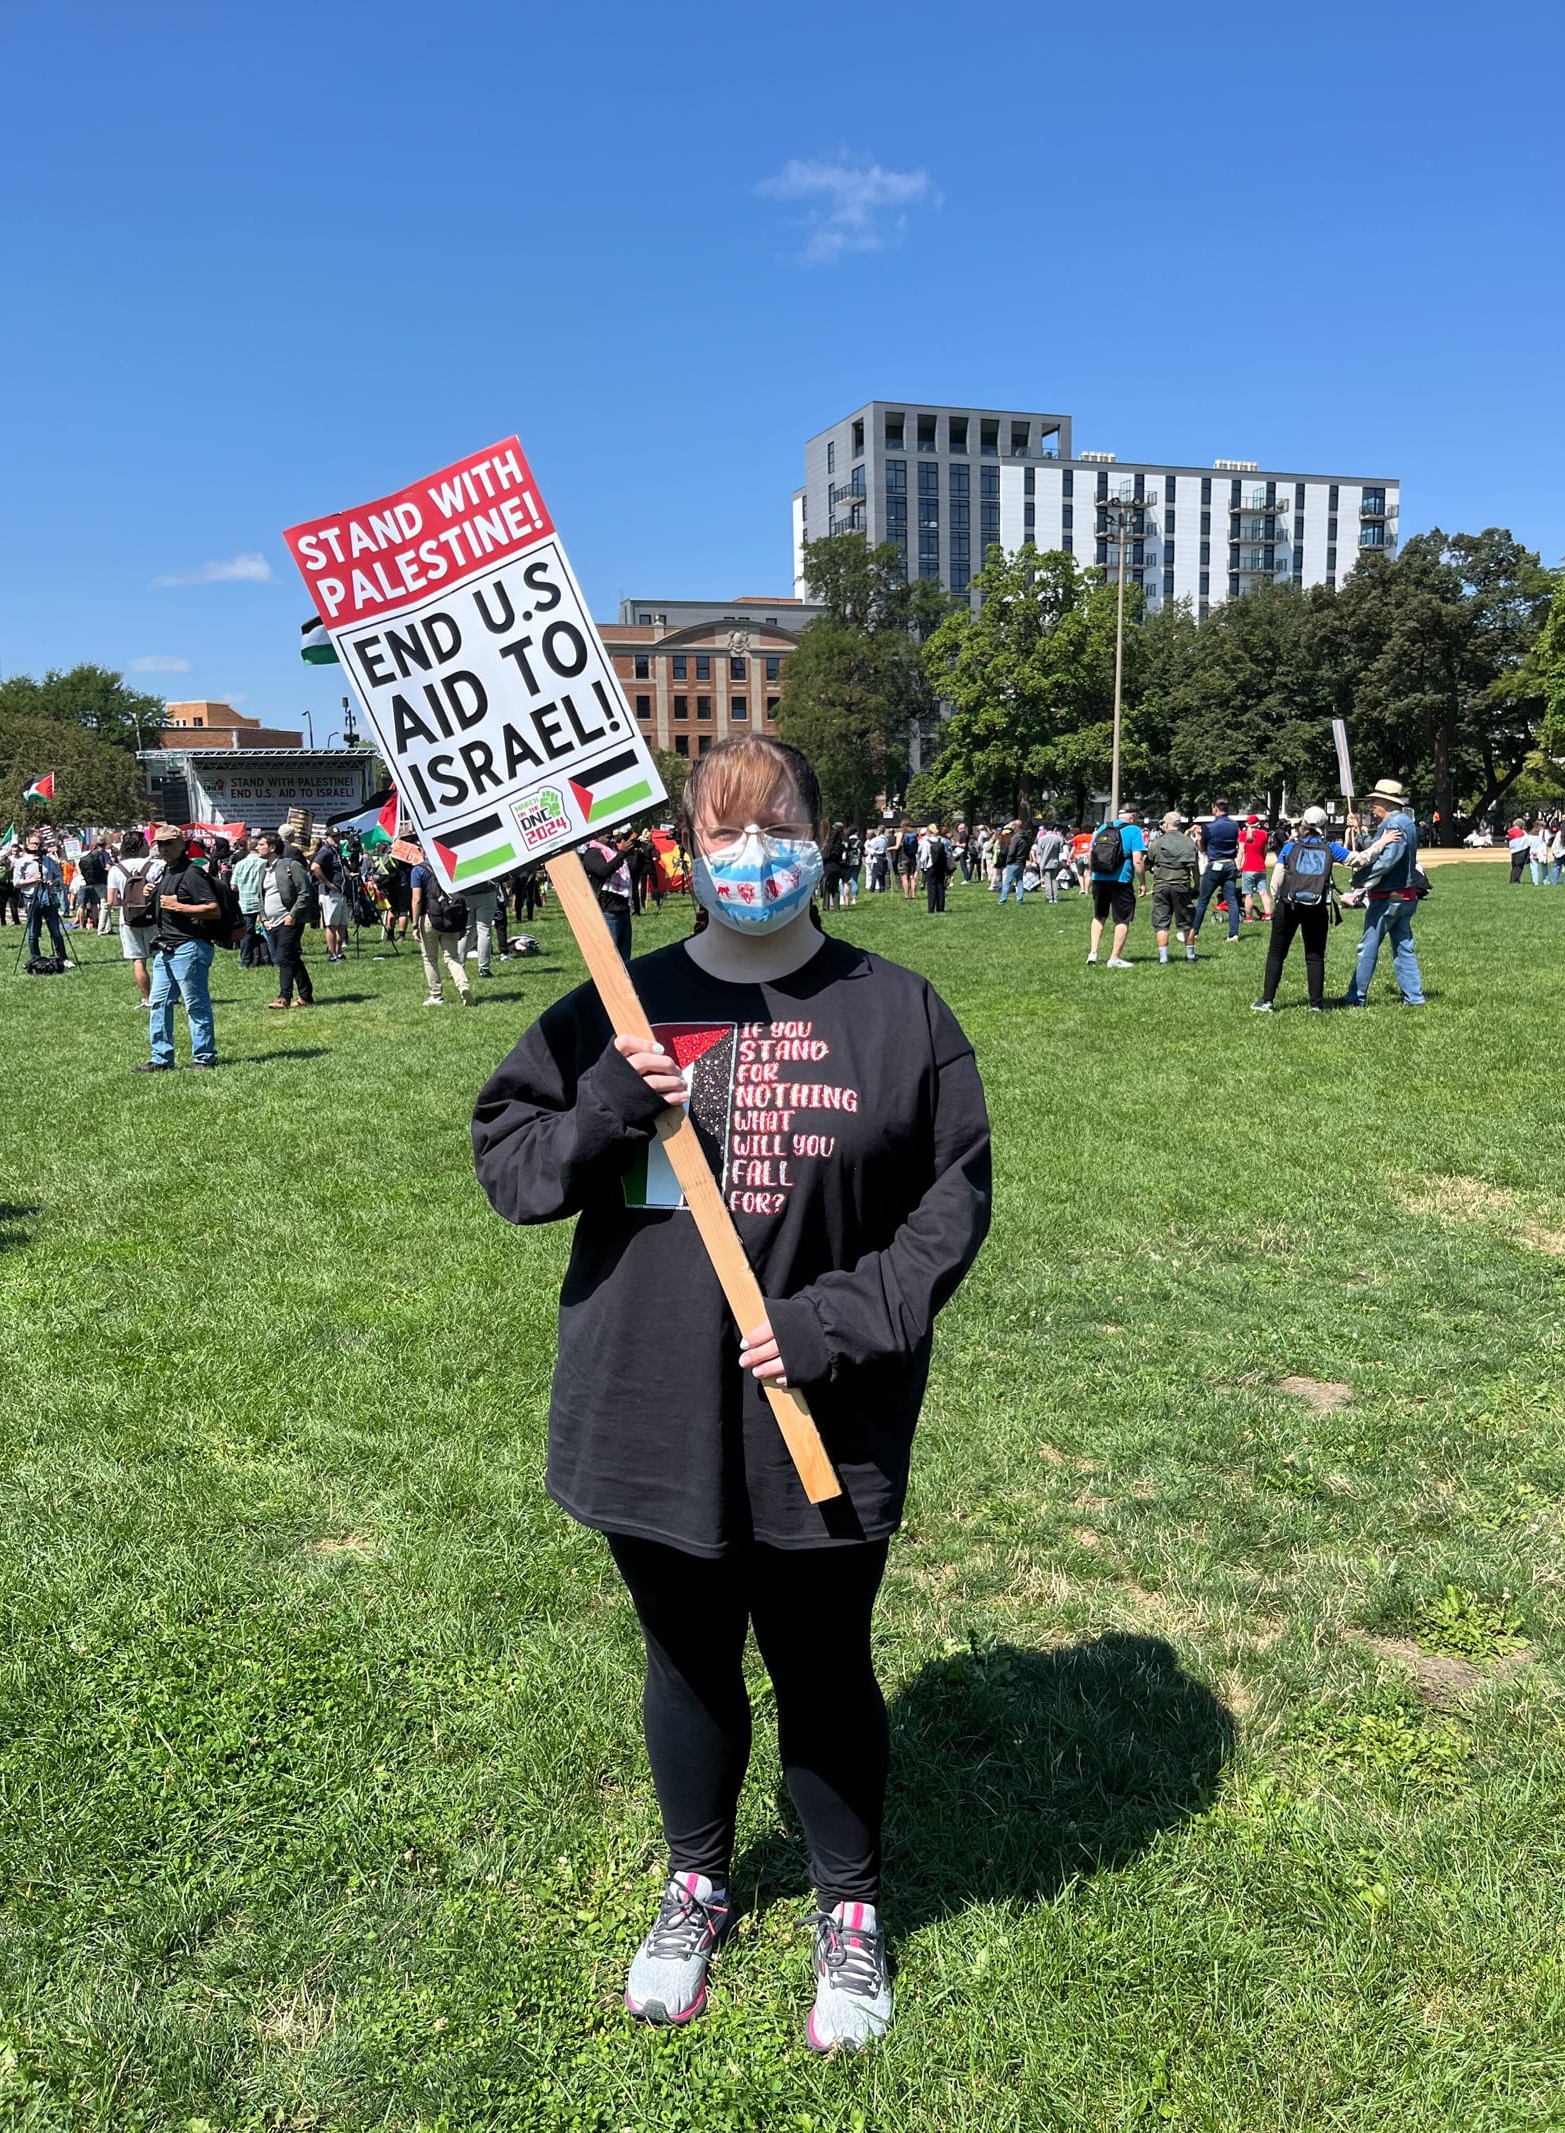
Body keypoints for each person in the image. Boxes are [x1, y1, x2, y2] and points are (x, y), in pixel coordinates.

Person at [472, 735, 992, 2053]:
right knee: (689, 1659)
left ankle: (852, 1905)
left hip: (827, 1414)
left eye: (776, 828)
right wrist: (603, 1103)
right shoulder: (618, 1001)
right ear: (685, 856)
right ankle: (697, 1877)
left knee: (823, 1665)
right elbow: (515, 1168)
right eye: (722, 835)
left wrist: (837, 1321)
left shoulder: (900, 1011)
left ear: (825, 834)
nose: (751, 857)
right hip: (651, 1404)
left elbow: (953, 1200)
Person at [135, 827, 220, 1071]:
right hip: (166, 949)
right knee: (158, 1004)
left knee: (195, 1004)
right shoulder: (165, 872)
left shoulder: (192, 873)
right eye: (160, 845)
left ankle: (205, 1058)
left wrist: (179, 906)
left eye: (169, 844)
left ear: (182, 844)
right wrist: (152, 893)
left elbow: (213, 909)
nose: (164, 849)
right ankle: (161, 1058)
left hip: (190, 947)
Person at [1250, 806, 1348, 1012]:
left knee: (1277, 953)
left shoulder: (1290, 848)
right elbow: (1359, 859)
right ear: (1325, 825)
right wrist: (1382, 843)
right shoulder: (1330, 848)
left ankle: (1267, 1000)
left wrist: (1278, 901)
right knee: (1314, 956)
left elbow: (1276, 882)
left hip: (1289, 905)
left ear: (1303, 824)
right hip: (1317, 906)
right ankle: (1316, 1005)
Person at [1341, 778, 1426, 1008]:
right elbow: (1378, 848)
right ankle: (1414, 997)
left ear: (1387, 803)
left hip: (1389, 897)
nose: (1371, 805)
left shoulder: (1395, 825)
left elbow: (1386, 860)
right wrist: (1359, 832)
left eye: (1375, 801)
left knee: (1367, 947)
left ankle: (1355, 996)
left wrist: (1360, 877)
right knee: (1403, 946)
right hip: (1405, 896)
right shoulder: (1402, 823)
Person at [258, 829, 316, 1010]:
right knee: (291, 957)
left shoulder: (291, 865)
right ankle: (306, 996)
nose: (257, 847)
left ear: (272, 847)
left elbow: (305, 892)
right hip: (271, 922)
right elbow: (260, 895)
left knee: (283, 957)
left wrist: (292, 915)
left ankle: (284, 997)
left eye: (261, 844)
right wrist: (264, 917)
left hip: (289, 920)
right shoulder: (263, 869)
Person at [411, 848, 473, 1006]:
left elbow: (416, 899)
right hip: (451, 916)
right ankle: (463, 986)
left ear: (422, 851)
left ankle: (436, 995)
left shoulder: (418, 871)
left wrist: (414, 924)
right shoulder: (451, 868)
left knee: (430, 958)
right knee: (452, 957)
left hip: (429, 917)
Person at [1086, 805, 1145, 968]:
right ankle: (1114, 958)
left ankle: (1093, 952)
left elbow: (1091, 852)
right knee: (1122, 918)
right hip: (1121, 880)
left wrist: (1092, 875)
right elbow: (1138, 860)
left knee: (1099, 915)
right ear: (1133, 816)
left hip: (1099, 877)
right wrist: (1142, 882)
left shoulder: (1103, 827)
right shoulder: (1134, 831)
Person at [107, 830, 160, 1006]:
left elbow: (112, 900)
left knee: (139, 960)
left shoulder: (116, 869)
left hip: (129, 918)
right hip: (154, 916)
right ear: (140, 845)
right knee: (161, 958)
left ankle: (147, 998)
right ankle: (167, 995)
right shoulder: (155, 865)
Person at [1145, 811, 1201, 964]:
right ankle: (1190, 956)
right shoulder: (1189, 842)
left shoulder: (1157, 843)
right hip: (1181, 885)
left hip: (1161, 886)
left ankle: (1163, 958)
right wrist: (1197, 885)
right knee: (1187, 922)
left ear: (1167, 824)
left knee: (1161, 923)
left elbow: (1147, 863)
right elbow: (1195, 868)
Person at [1188, 801, 1243, 953]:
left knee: (1203, 900)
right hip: (1230, 864)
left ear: (1215, 809)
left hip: (1215, 865)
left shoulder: (1210, 828)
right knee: (1231, 900)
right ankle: (1233, 934)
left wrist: (1199, 835)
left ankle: (1195, 932)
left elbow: (1202, 848)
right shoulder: (1234, 825)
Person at [581, 829, 636, 961]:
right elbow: (603, 871)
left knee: (625, 957)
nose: (610, 836)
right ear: (595, 835)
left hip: (623, 909)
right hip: (608, 911)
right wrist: (622, 853)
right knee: (611, 957)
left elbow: (634, 871)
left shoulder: (614, 853)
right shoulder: (592, 853)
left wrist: (634, 854)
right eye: (605, 833)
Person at [16, 838, 68, 965]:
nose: (36, 846)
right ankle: (35, 958)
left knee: (55, 931)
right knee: (33, 931)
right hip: (31, 898)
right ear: (27, 844)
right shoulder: (21, 861)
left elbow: (59, 877)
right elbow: (16, 883)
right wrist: (32, 880)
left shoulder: (48, 860)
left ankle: (63, 958)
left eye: (39, 844)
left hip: (48, 897)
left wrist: (54, 882)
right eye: (34, 844)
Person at [311, 832, 351, 961]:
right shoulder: (325, 851)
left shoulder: (336, 850)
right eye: (334, 836)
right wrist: (327, 883)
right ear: (327, 837)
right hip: (330, 893)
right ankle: (332, 954)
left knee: (342, 924)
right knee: (332, 924)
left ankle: (339, 952)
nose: (337, 839)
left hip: (341, 892)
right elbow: (315, 867)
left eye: (338, 836)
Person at [232, 838, 269, 967]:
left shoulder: (240, 864)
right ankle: (273, 959)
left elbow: (233, 886)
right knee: (269, 930)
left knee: (246, 933)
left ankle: (245, 961)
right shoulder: (264, 863)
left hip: (246, 902)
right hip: (264, 901)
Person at [1237, 814, 1272, 922]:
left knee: (1248, 894)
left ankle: (1249, 917)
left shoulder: (1243, 835)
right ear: (1258, 824)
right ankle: (1268, 914)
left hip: (1248, 868)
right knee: (1263, 892)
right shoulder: (1264, 834)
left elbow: (1241, 852)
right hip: (1260, 867)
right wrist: (1262, 860)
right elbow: (1265, 852)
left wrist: (1238, 864)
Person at [923, 821, 952, 914]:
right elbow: (947, 853)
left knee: (931, 887)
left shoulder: (926, 842)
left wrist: (923, 866)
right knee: (941, 887)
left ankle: (931, 908)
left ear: (929, 831)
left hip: (931, 866)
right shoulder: (942, 841)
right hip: (941, 866)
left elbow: (924, 856)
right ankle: (940, 908)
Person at [1506, 820, 1531, 885]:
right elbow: (1527, 840)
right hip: (1521, 851)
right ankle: (1515, 881)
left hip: (1513, 851)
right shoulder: (1521, 832)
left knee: (1514, 866)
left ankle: (1512, 880)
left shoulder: (1510, 831)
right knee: (1519, 867)